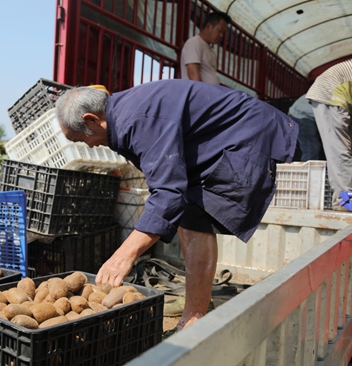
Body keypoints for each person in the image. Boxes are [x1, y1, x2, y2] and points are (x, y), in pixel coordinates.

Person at [55, 80, 298, 330]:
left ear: (93, 119)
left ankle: (193, 319)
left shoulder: (138, 120)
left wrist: (124, 254)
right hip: (228, 136)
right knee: (189, 214)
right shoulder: (124, 113)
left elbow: (169, 193)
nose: (90, 145)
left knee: (192, 217)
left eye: (82, 139)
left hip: (250, 134)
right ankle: (196, 304)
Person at [306, 59, 352, 210]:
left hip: (339, 94)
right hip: (330, 93)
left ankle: (343, 197)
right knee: (339, 148)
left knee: (343, 147)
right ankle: (345, 199)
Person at [180, 11, 231, 85]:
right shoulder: (194, 42)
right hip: (201, 95)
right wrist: (203, 95)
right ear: (209, 26)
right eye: (220, 31)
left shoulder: (211, 51)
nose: (221, 35)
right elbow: (192, 73)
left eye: (223, 33)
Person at [288, 94, 325, 161]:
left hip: (300, 114)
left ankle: (308, 169)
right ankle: (307, 170)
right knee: (311, 146)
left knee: (311, 146)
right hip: (301, 115)